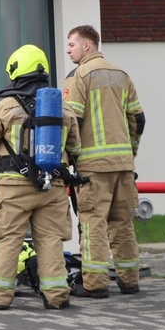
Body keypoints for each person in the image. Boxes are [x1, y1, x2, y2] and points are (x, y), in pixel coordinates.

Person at [0, 44, 81, 311]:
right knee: (50, 241)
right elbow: (75, 150)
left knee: (8, 239)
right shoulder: (62, 108)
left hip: (12, 186)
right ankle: (57, 296)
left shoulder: (4, 105)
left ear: (16, 69)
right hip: (54, 185)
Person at [64, 25, 145, 298]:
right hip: (123, 166)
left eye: (72, 44)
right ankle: (130, 280)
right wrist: (130, 153)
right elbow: (139, 119)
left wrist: (72, 157)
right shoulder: (122, 75)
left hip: (93, 169)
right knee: (123, 223)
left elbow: (71, 120)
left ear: (88, 45)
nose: (68, 50)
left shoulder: (79, 76)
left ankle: (95, 285)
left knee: (93, 224)